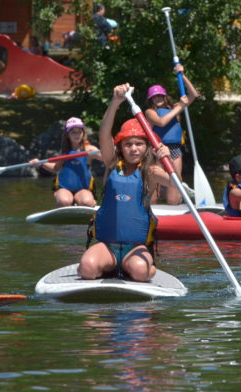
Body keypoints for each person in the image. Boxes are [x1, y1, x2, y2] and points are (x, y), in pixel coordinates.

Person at [78, 83, 176, 282]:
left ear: (146, 147)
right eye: (128, 144)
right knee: (86, 270)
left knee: (140, 272)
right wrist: (115, 102)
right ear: (120, 147)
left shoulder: (150, 171)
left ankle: (144, 268)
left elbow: (175, 183)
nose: (133, 149)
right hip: (107, 245)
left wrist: (169, 160)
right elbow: (104, 134)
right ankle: (109, 266)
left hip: (135, 248)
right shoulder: (112, 164)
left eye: (139, 144)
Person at [145, 64, 198, 205]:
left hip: (175, 150)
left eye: (160, 95)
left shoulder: (174, 108)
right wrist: (180, 106)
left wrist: (182, 75)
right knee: (154, 198)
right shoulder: (149, 112)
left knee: (172, 199)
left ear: (164, 95)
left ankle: (177, 192)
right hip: (157, 149)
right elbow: (161, 122)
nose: (157, 98)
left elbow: (193, 95)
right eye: (154, 97)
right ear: (151, 100)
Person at [30, 117, 101, 207]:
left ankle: (91, 202)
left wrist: (118, 152)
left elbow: (107, 158)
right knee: (65, 201)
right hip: (64, 188)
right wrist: (40, 163)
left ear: (83, 133)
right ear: (68, 135)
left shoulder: (89, 150)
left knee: (86, 202)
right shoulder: (65, 152)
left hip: (83, 189)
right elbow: (56, 168)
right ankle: (66, 203)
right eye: (73, 132)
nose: (77, 134)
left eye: (79, 131)